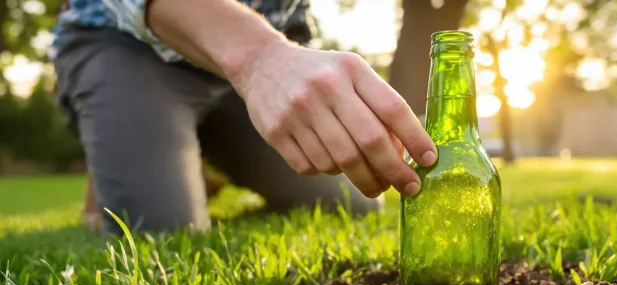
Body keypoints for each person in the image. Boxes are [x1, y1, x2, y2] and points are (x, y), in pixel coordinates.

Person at [52, 0, 438, 236]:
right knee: (161, 233)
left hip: (245, 64)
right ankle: (135, 132)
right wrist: (261, 59)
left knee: (351, 202)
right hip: (126, 47)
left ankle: (187, 155)